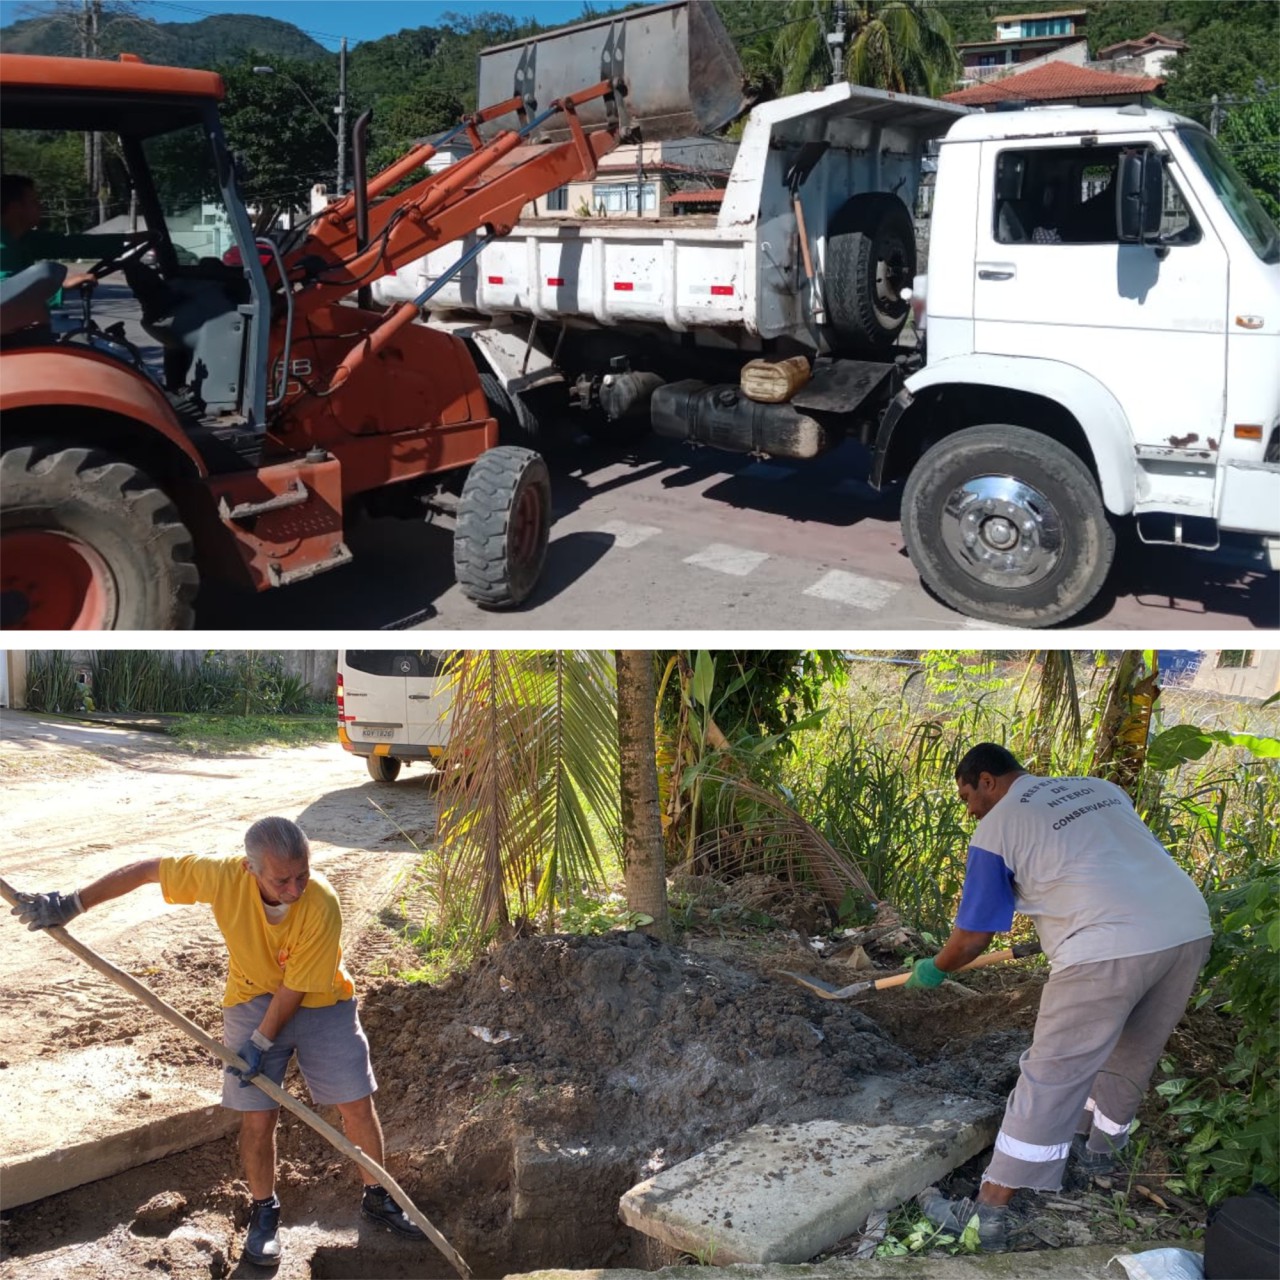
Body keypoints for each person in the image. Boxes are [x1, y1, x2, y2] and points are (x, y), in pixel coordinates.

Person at [10, 816, 426, 1269]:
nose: (294, 888)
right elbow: (149, 870)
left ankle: (377, 1194)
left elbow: (296, 988)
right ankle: (265, 1212)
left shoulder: (321, 902)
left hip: (321, 999)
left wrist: (262, 1041)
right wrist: (73, 903)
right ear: (250, 869)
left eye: (302, 874)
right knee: (257, 1117)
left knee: (356, 1104)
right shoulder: (224, 877)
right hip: (251, 996)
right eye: (281, 879)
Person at [904, 743, 1212, 1252]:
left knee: (1051, 1073)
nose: (970, 811)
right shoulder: (1100, 788)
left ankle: (988, 1215)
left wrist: (933, 969)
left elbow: (973, 938)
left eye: (967, 797)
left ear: (987, 780)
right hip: (1186, 929)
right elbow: (1106, 862)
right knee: (1134, 1049)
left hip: (1105, 946)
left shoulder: (997, 826)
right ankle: (1098, 1153)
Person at [0, 172, 135, 304]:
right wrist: (62, 286)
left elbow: (68, 244)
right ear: (15, 208)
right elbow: (6, 292)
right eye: (34, 202)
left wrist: (127, 238)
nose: (40, 206)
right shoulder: (3, 244)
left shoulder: (22, 238)